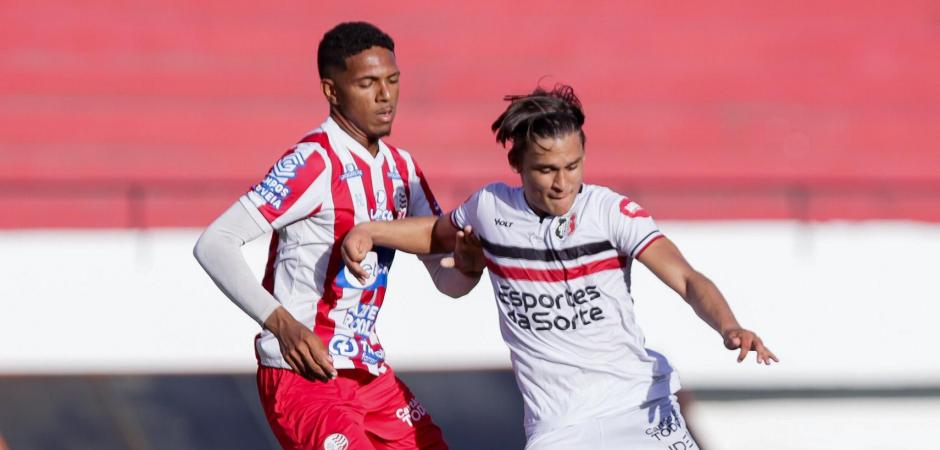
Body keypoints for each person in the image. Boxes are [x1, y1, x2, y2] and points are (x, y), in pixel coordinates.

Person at [342, 84, 778, 450]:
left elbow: (686, 277)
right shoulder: (491, 208)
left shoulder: (611, 212)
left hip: (638, 407)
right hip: (559, 427)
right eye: (547, 169)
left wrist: (728, 326)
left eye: (572, 166)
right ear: (517, 165)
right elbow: (432, 235)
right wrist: (370, 231)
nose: (562, 182)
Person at [193, 22, 480, 450]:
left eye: (393, 80)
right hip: (304, 376)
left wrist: (470, 268)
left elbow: (447, 280)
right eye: (368, 83)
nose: (385, 96)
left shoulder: (403, 170)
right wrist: (281, 325)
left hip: (369, 374)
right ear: (332, 91)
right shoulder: (314, 161)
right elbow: (214, 243)